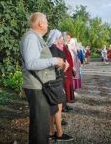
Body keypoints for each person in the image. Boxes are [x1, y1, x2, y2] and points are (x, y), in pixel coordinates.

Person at [20, 12, 64, 144]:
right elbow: (31, 63)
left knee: (42, 125)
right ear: (40, 23)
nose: (48, 25)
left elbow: (39, 61)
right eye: (46, 22)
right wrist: (55, 60)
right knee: (40, 126)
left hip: (40, 86)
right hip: (36, 87)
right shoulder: (31, 38)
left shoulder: (35, 37)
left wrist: (57, 65)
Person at [47, 29, 73, 141]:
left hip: (55, 81)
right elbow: (54, 67)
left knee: (53, 108)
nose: (62, 38)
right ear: (56, 38)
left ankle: (51, 131)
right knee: (57, 108)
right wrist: (64, 66)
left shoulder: (52, 49)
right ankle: (59, 134)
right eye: (61, 37)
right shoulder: (53, 49)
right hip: (56, 81)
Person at [63, 32, 75, 110]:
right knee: (65, 87)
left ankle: (66, 104)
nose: (69, 39)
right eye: (67, 37)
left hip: (69, 70)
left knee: (68, 86)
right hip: (65, 70)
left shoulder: (66, 46)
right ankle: (63, 106)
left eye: (70, 37)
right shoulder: (62, 47)